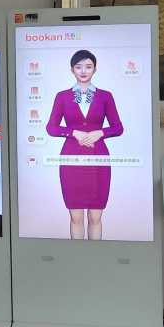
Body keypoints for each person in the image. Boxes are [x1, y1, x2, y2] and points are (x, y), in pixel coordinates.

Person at [46, 50, 123, 240]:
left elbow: (118, 127)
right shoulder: (62, 96)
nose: (83, 71)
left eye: (88, 67)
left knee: (95, 218)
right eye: (78, 67)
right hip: (72, 159)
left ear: (95, 69)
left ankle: (95, 256)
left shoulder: (105, 96)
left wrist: (100, 132)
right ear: (72, 69)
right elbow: (51, 128)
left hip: (98, 159)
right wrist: (73, 132)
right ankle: (77, 255)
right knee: (75, 218)